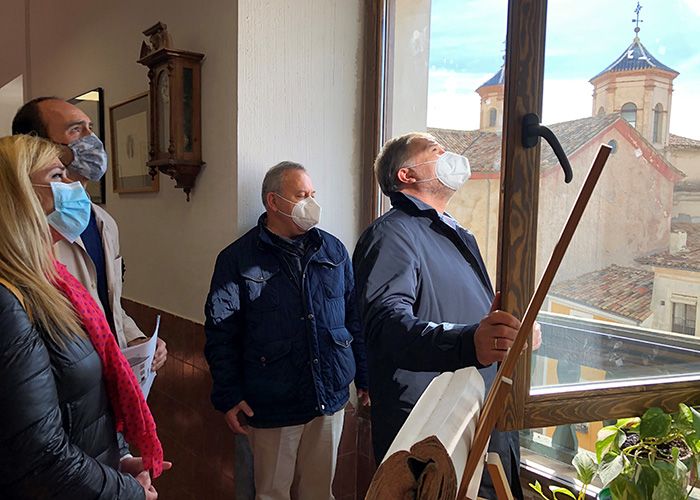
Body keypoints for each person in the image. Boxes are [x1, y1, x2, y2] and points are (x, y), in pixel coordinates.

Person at [352, 132, 542, 499]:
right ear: (407, 174)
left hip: (479, 412)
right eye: (435, 151)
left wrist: (508, 334)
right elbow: (386, 327)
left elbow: (477, 315)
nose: (449, 156)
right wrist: (469, 342)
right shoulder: (391, 235)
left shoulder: (456, 234)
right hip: (430, 428)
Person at [0, 134, 168, 498]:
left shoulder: (52, 281)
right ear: (19, 196)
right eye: (57, 176)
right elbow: (40, 455)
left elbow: (76, 406)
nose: (72, 185)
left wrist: (115, 458)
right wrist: (128, 492)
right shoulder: (9, 300)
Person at [205, 161, 369, 500]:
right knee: (271, 493)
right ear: (273, 201)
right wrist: (228, 395)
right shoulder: (237, 259)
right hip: (273, 402)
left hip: (329, 396)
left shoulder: (334, 251)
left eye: (312, 194)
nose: (311, 203)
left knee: (319, 493)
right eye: (301, 195)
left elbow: (354, 317)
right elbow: (221, 332)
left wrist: (365, 377)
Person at [11, 97, 167, 370]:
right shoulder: (20, 233)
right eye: (75, 130)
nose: (92, 139)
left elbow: (107, 303)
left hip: (108, 377)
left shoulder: (104, 222)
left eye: (90, 127)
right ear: (37, 146)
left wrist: (135, 338)